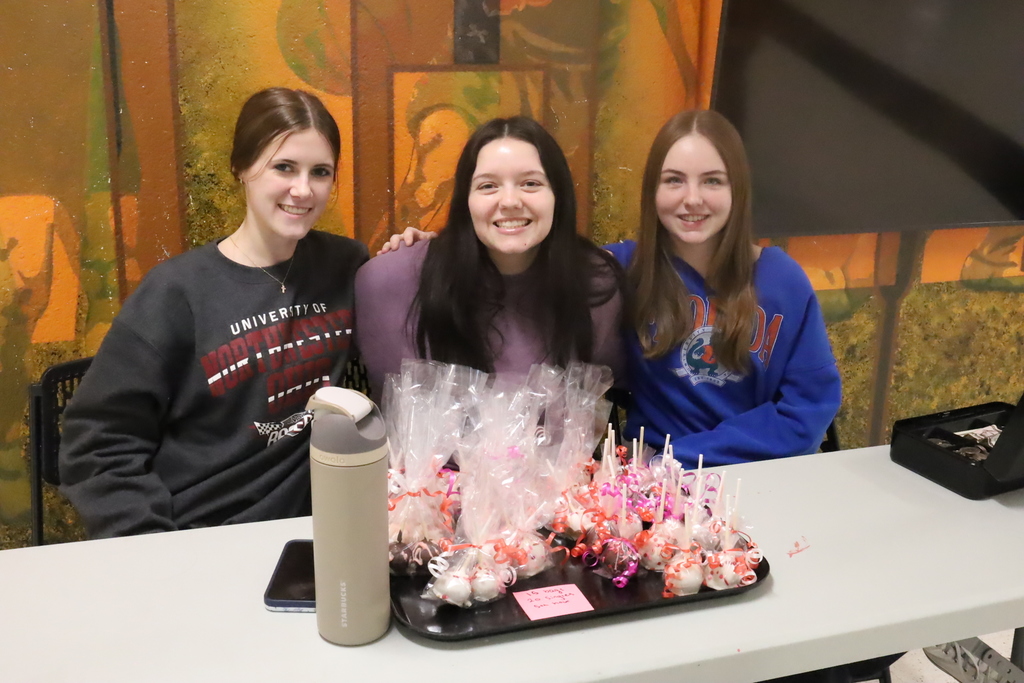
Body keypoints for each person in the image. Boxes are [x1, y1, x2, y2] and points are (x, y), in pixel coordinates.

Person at [58, 88, 368, 538]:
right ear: (242, 168)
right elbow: (98, 441)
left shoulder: (345, 266)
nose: (303, 190)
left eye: (320, 172)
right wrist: (149, 544)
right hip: (196, 532)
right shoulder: (176, 292)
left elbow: (411, 321)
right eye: (284, 167)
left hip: (308, 534)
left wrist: (409, 257)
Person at [604, 108, 841, 468]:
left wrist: (683, 458)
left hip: (756, 477)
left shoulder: (783, 282)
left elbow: (807, 411)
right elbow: (543, 279)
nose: (692, 198)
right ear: (652, 189)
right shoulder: (623, 269)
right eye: (674, 180)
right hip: (652, 488)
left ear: (737, 189)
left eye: (712, 181)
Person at [354, 116, 624, 399]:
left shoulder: (599, 286)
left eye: (530, 183)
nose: (509, 201)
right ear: (465, 201)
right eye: (488, 186)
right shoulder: (390, 283)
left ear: (559, 195)